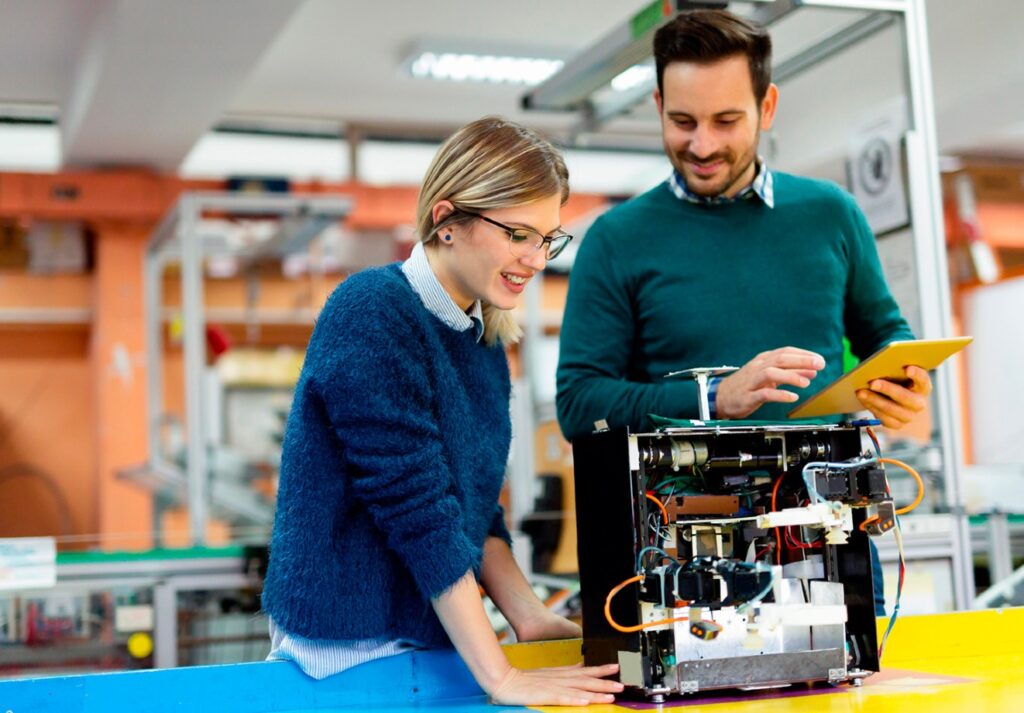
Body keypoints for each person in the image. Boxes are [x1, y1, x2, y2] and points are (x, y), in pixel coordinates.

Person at [555, 10, 931, 615]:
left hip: (825, 537)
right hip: (678, 554)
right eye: (682, 121)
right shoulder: (616, 239)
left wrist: (902, 381)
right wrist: (711, 401)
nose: (702, 145)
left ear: (768, 106)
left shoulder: (831, 214)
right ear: (657, 106)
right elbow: (579, 404)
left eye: (726, 121)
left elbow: (886, 333)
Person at [261, 117, 622, 707]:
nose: (536, 258)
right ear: (446, 219)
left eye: (548, 238)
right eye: (517, 234)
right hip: (347, 649)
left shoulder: (484, 342)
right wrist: (502, 676)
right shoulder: (373, 310)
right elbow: (420, 510)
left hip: (430, 643)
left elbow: (473, 511)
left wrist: (528, 617)